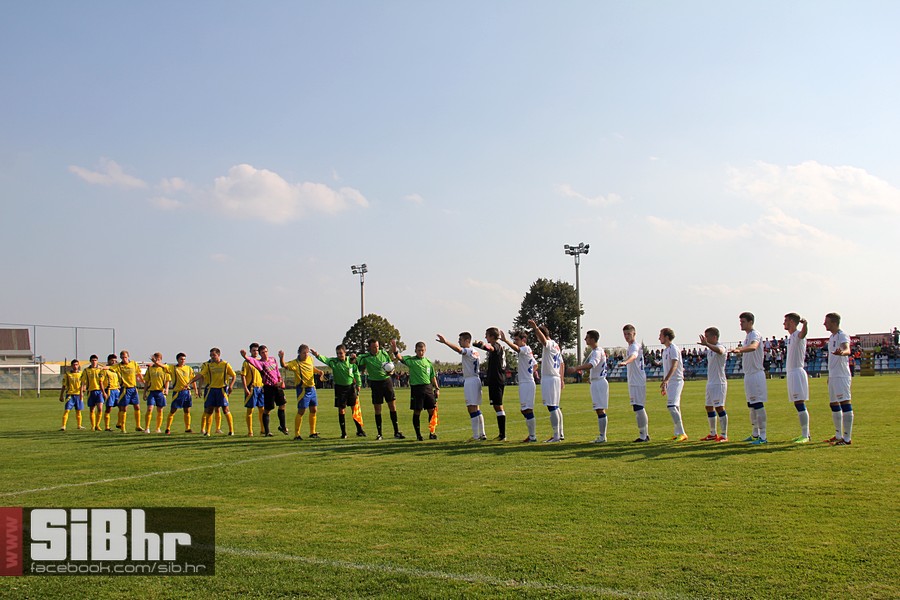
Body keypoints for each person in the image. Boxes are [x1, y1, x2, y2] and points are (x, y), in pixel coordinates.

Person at [436, 332, 485, 441]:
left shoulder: (469, 351)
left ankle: (476, 436)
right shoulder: (476, 351)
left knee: (471, 408)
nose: (459, 342)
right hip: (475, 379)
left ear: (467, 341)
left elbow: (459, 350)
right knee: (476, 408)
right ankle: (482, 434)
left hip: (470, 380)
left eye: (461, 340)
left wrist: (446, 342)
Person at [311, 345, 367, 439]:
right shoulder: (334, 362)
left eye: (341, 353)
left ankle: (359, 430)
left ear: (345, 353)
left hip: (350, 388)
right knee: (341, 410)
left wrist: (359, 384)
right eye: (337, 353)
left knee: (354, 409)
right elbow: (325, 359)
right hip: (340, 389)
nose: (339, 355)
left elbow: (356, 372)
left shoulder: (351, 361)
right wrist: (317, 355)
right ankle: (344, 433)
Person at [729, 312, 768, 445]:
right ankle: (755, 433)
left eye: (743, 321)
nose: (741, 324)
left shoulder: (755, 334)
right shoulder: (747, 337)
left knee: (758, 404)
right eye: (740, 322)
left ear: (750, 322)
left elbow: (754, 346)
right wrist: (740, 352)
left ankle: (763, 436)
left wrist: (740, 350)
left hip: (756, 374)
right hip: (749, 374)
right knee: (751, 405)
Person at [391, 339, 440, 441]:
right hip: (417, 389)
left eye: (422, 350)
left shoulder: (428, 362)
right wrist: (395, 348)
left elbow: (432, 376)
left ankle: (432, 432)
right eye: (418, 350)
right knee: (417, 411)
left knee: (432, 411)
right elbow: (399, 357)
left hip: (428, 388)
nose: (420, 352)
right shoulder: (411, 360)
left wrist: (437, 388)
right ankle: (418, 434)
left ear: (425, 350)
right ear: (415, 350)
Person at [356, 339, 404, 440]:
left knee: (392, 406)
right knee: (377, 409)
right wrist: (353, 358)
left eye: (377, 346)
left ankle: (396, 432)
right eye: (374, 347)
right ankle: (379, 433)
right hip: (375, 384)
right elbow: (355, 362)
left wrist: (391, 372)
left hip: (387, 382)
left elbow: (391, 366)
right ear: (369, 347)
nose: (376, 349)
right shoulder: (365, 357)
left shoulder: (384, 353)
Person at [567, 330, 609, 443]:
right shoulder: (597, 351)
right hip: (596, 381)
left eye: (587, 337)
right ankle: (602, 436)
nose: (585, 339)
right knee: (598, 409)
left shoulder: (597, 352)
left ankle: (602, 436)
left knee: (600, 409)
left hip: (599, 382)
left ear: (592, 339)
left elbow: (592, 364)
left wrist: (577, 368)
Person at [498, 329, 538, 442]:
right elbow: (535, 365)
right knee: (524, 410)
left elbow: (517, 349)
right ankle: (531, 435)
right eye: (514, 340)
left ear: (524, 340)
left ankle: (533, 436)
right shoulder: (528, 351)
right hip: (524, 382)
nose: (515, 342)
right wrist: (530, 372)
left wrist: (505, 340)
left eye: (517, 340)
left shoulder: (525, 349)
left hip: (527, 383)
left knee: (528, 410)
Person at [528, 319, 565, 443]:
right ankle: (560, 433)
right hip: (556, 377)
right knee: (556, 407)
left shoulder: (548, 343)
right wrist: (562, 378)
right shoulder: (556, 345)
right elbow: (562, 363)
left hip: (550, 377)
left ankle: (556, 435)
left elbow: (543, 341)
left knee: (552, 407)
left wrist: (535, 328)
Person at [239, 345, 287, 437]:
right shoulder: (260, 363)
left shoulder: (273, 359)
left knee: (282, 405)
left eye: (266, 351)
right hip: (268, 387)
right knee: (267, 409)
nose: (264, 354)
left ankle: (283, 426)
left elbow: (277, 370)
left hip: (277, 386)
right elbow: (252, 361)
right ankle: (266, 431)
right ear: (260, 354)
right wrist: (245, 356)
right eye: (262, 352)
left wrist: (281, 381)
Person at [280, 345, 324, 440]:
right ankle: (297, 434)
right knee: (301, 410)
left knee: (314, 410)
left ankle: (312, 432)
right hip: (303, 390)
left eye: (307, 352)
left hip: (312, 388)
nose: (306, 354)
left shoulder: (310, 359)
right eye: (304, 353)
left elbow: (312, 368)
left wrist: (319, 371)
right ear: (299, 353)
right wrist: (281, 357)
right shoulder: (295, 363)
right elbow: (284, 365)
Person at [190, 347, 236, 437]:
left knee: (225, 409)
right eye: (211, 355)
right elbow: (201, 374)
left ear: (218, 355)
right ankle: (208, 431)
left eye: (214, 355)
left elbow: (233, 375)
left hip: (222, 389)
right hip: (211, 389)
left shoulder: (225, 364)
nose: (212, 357)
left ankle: (231, 430)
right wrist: (190, 381)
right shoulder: (209, 365)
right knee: (209, 410)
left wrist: (231, 386)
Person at [473, 327, 507, 441]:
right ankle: (502, 434)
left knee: (498, 406)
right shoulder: (498, 346)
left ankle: (502, 435)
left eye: (487, 335)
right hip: (497, 379)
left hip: (496, 380)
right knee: (497, 406)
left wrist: (481, 345)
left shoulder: (496, 345)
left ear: (492, 336)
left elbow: (490, 348)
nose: (485, 337)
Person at [824, 313, 853, 445]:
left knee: (845, 403)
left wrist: (842, 352)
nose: (824, 324)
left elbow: (847, 349)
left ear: (834, 323)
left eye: (827, 322)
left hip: (841, 375)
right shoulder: (831, 337)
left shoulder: (842, 335)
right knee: (834, 404)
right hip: (833, 375)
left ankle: (847, 439)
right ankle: (838, 435)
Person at [784, 313, 811, 443]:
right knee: (797, 403)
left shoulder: (798, 335)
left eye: (786, 321)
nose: (784, 323)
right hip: (791, 373)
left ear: (792, 322)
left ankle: (805, 435)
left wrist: (805, 324)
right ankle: (805, 433)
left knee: (800, 403)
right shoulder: (790, 337)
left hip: (797, 372)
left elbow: (803, 334)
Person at [619, 324, 649, 442]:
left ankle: (643, 435)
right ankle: (645, 434)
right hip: (635, 380)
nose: (627, 336)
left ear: (634, 334)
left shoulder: (634, 346)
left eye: (629, 334)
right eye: (625, 334)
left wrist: (626, 362)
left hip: (637, 381)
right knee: (638, 407)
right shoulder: (631, 346)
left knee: (638, 407)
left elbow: (634, 356)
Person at [698, 327, 728, 441]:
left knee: (719, 407)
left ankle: (724, 435)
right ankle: (712, 433)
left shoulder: (720, 347)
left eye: (707, 336)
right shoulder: (710, 350)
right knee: (709, 407)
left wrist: (707, 344)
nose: (705, 339)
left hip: (718, 383)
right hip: (710, 382)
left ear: (714, 337)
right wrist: (707, 345)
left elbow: (720, 351)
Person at [659, 328, 688, 441]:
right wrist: (665, 384)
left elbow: (674, 365)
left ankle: (682, 433)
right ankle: (677, 433)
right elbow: (666, 368)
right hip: (670, 382)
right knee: (675, 407)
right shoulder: (665, 351)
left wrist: (666, 380)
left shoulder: (673, 349)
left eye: (660, 335)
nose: (659, 338)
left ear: (666, 337)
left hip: (676, 381)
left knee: (671, 406)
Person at [164, 352, 198, 434]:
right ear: (177, 360)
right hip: (178, 392)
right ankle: (167, 428)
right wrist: (156, 362)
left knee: (187, 410)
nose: (183, 361)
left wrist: (196, 390)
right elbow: (163, 366)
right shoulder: (173, 368)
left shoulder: (188, 368)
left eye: (184, 359)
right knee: (173, 410)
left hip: (187, 392)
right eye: (181, 359)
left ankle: (187, 428)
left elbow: (192, 380)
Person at [114, 350, 144, 433]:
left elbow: (138, 373)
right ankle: (123, 427)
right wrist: (102, 367)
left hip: (133, 388)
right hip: (125, 389)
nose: (124, 359)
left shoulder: (133, 363)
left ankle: (138, 426)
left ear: (128, 356)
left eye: (125, 357)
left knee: (137, 406)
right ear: (120, 358)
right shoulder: (119, 366)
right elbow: (109, 367)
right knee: (124, 408)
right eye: (123, 357)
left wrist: (143, 381)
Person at [142, 352, 170, 433]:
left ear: (161, 360)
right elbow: (146, 381)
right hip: (152, 392)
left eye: (158, 359)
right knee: (149, 409)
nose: (156, 361)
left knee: (160, 410)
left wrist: (167, 389)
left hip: (160, 392)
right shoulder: (150, 369)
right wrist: (144, 393)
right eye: (155, 359)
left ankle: (158, 428)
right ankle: (147, 428)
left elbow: (167, 380)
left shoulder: (164, 368)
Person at [242, 343, 265, 437]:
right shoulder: (247, 362)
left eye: (257, 350)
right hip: (252, 388)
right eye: (253, 350)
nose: (255, 352)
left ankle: (263, 429)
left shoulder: (262, 361)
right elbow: (243, 375)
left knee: (262, 409)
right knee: (250, 410)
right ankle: (250, 431)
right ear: (250, 351)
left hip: (261, 387)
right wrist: (245, 388)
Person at [59, 359, 85, 431]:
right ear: (71, 366)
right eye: (74, 365)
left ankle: (79, 425)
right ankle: (63, 426)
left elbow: (83, 384)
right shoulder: (67, 374)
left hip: (78, 395)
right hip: (70, 395)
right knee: (67, 410)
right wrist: (61, 395)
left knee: (78, 411)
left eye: (76, 365)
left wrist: (83, 390)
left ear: (79, 365)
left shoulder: (81, 374)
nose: (75, 366)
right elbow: (64, 385)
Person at [82, 355, 105, 431]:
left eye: (95, 360)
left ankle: (97, 425)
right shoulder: (86, 370)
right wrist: (82, 390)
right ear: (90, 361)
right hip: (91, 391)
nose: (94, 362)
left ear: (97, 361)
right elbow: (83, 381)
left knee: (100, 409)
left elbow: (102, 380)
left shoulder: (100, 370)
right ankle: (93, 425)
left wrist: (104, 392)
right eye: (92, 360)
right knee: (92, 409)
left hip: (99, 391)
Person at [99, 354, 120, 431]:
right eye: (112, 360)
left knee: (122, 407)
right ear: (108, 361)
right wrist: (103, 392)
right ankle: (107, 426)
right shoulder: (104, 370)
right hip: (109, 390)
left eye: (115, 360)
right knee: (109, 409)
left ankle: (119, 423)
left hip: (117, 390)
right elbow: (100, 382)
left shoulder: (116, 370)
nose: (114, 362)